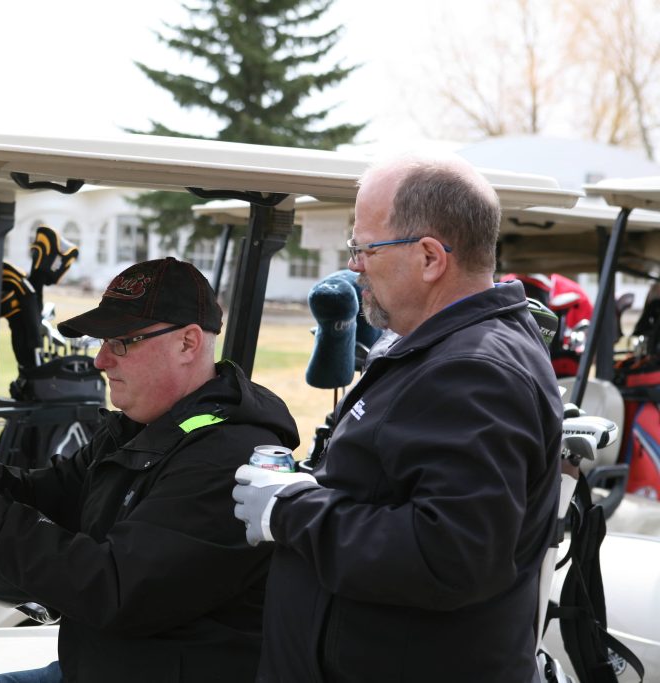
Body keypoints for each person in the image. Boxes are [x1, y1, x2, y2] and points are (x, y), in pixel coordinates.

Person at [233, 155, 562, 682]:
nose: (355, 266)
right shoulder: (446, 349)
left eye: (364, 248)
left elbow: (449, 555)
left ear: (431, 257)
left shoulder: (474, 370)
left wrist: (290, 510)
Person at [0, 257, 299, 683]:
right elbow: (47, 494)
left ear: (188, 343)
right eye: (103, 342)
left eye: (122, 342)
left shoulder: (230, 456)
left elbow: (118, 592)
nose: (100, 361)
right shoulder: (140, 428)